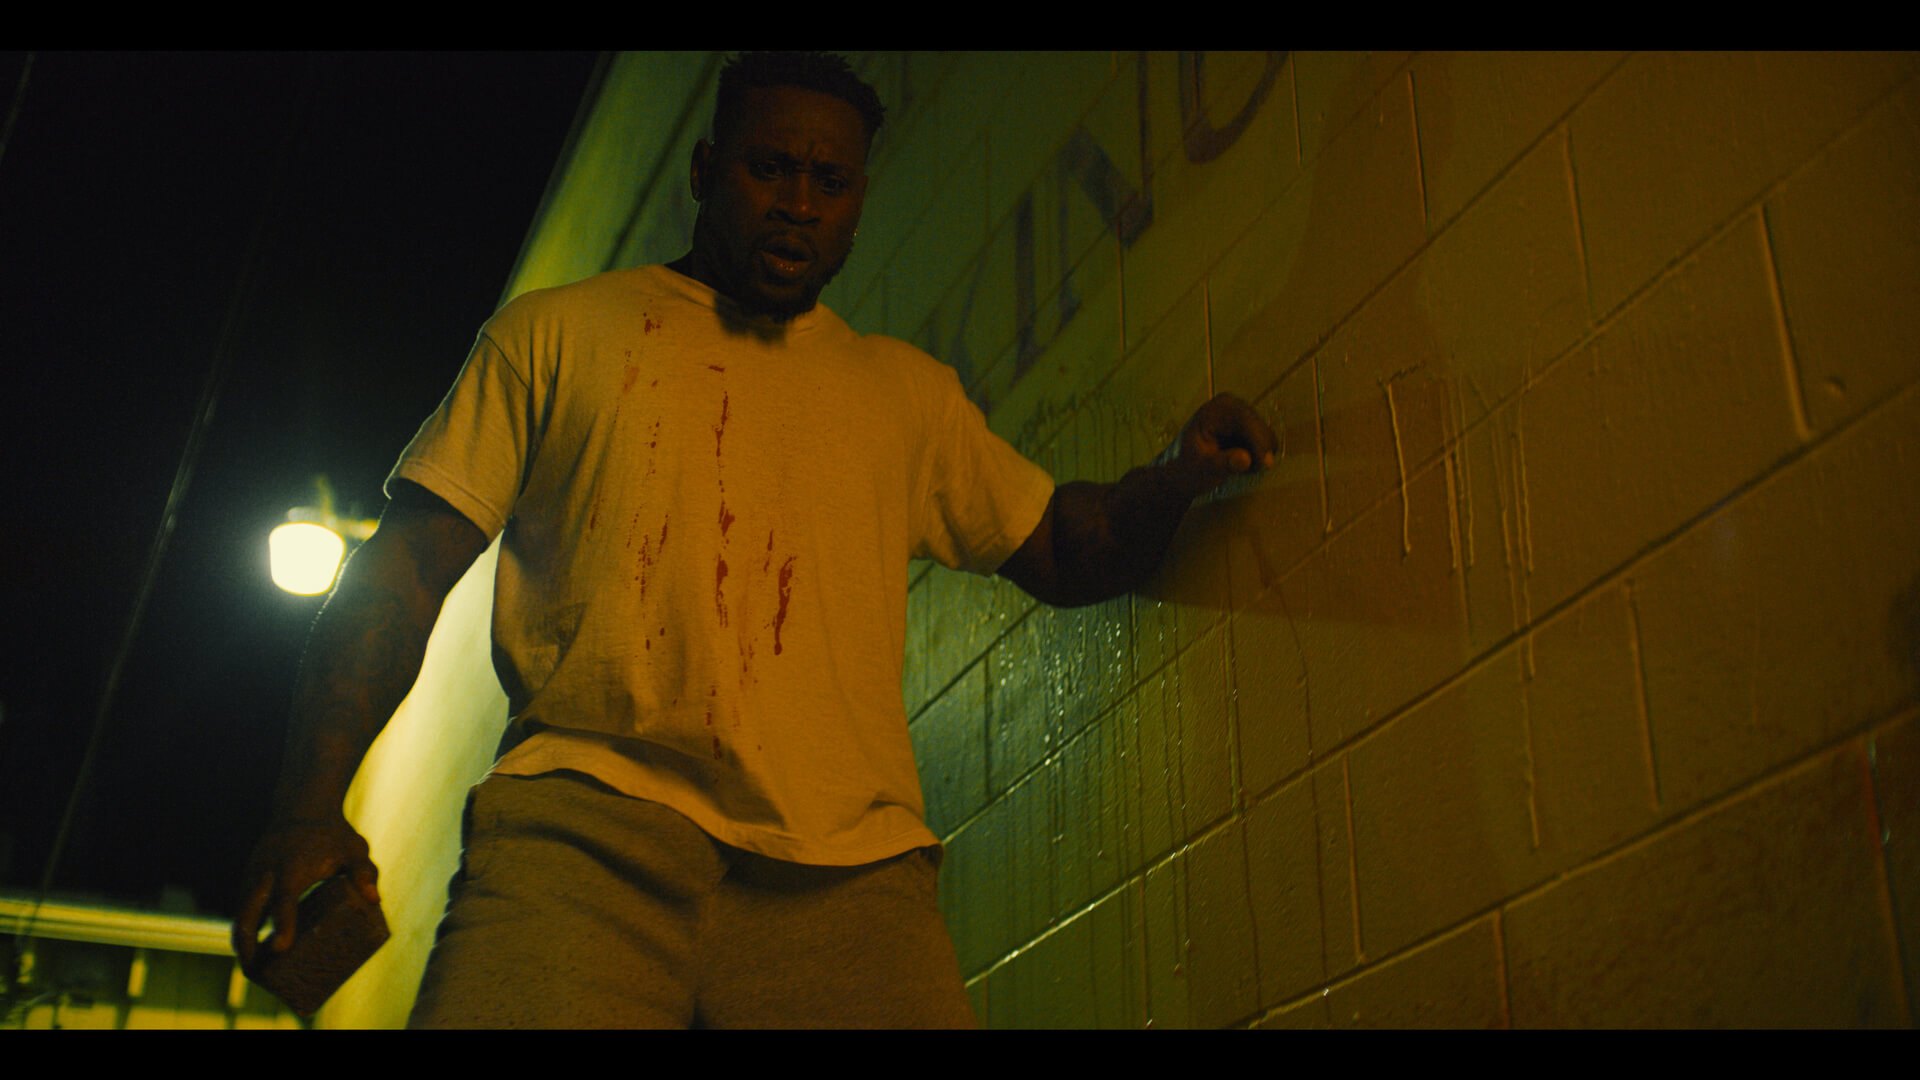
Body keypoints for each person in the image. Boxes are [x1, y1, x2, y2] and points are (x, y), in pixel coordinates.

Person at [232, 51, 1277, 1028]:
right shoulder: (556, 336)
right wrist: (306, 805)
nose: (799, 204)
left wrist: (1176, 475)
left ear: (859, 200)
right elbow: (404, 572)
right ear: (705, 171)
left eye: (832, 181)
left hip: (851, 882)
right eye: (770, 169)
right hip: (580, 844)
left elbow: (1070, 547)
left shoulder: (905, 395)